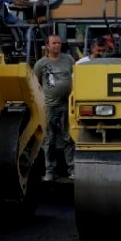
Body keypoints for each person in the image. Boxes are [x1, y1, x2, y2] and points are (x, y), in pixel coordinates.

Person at [31, 34, 76, 181]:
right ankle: (50, 171)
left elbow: (76, 76)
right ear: (48, 46)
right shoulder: (41, 64)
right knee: (48, 140)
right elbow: (35, 83)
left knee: (69, 138)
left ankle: (72, 169)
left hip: (66, 105)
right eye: (54, 43)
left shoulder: (68, 60)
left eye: (59, 43)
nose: (57, 45)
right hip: (49, 107)